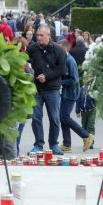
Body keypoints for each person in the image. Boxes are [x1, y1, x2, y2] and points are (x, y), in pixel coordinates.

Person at [27, 24, 66, 155]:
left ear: (49, 36)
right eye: (37, 35)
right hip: (36, 89)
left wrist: (47, 76)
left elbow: (62, 69)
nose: (38, 38)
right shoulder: (32, 48)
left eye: (41, 35)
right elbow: (27, 62)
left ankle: (54, 144)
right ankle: (38, 144)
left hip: (52, 88)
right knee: (36, 117)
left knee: (54, 118)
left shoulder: (58, 49)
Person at [58, 39, 94, 153]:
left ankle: (86, 135)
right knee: (62, 117)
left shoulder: (70, 61)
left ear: (64, 49)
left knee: (64, 117)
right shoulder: (65, 59)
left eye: (59, 49)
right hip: (67, 92)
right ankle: (67, 144)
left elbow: (74, 79)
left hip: (71, 93)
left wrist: (60, 83)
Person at [75, 74, 96, 149]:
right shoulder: (81, 89)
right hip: (83, 111)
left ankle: (91, 142)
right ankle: (86, 141)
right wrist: (77, 111)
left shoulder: (93, 89)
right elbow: (78, 100)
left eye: (88, 78)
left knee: (90, 126)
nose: (86, 80)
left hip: (91, 110)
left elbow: (96, 99)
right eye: (85, 78)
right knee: (84, 127)